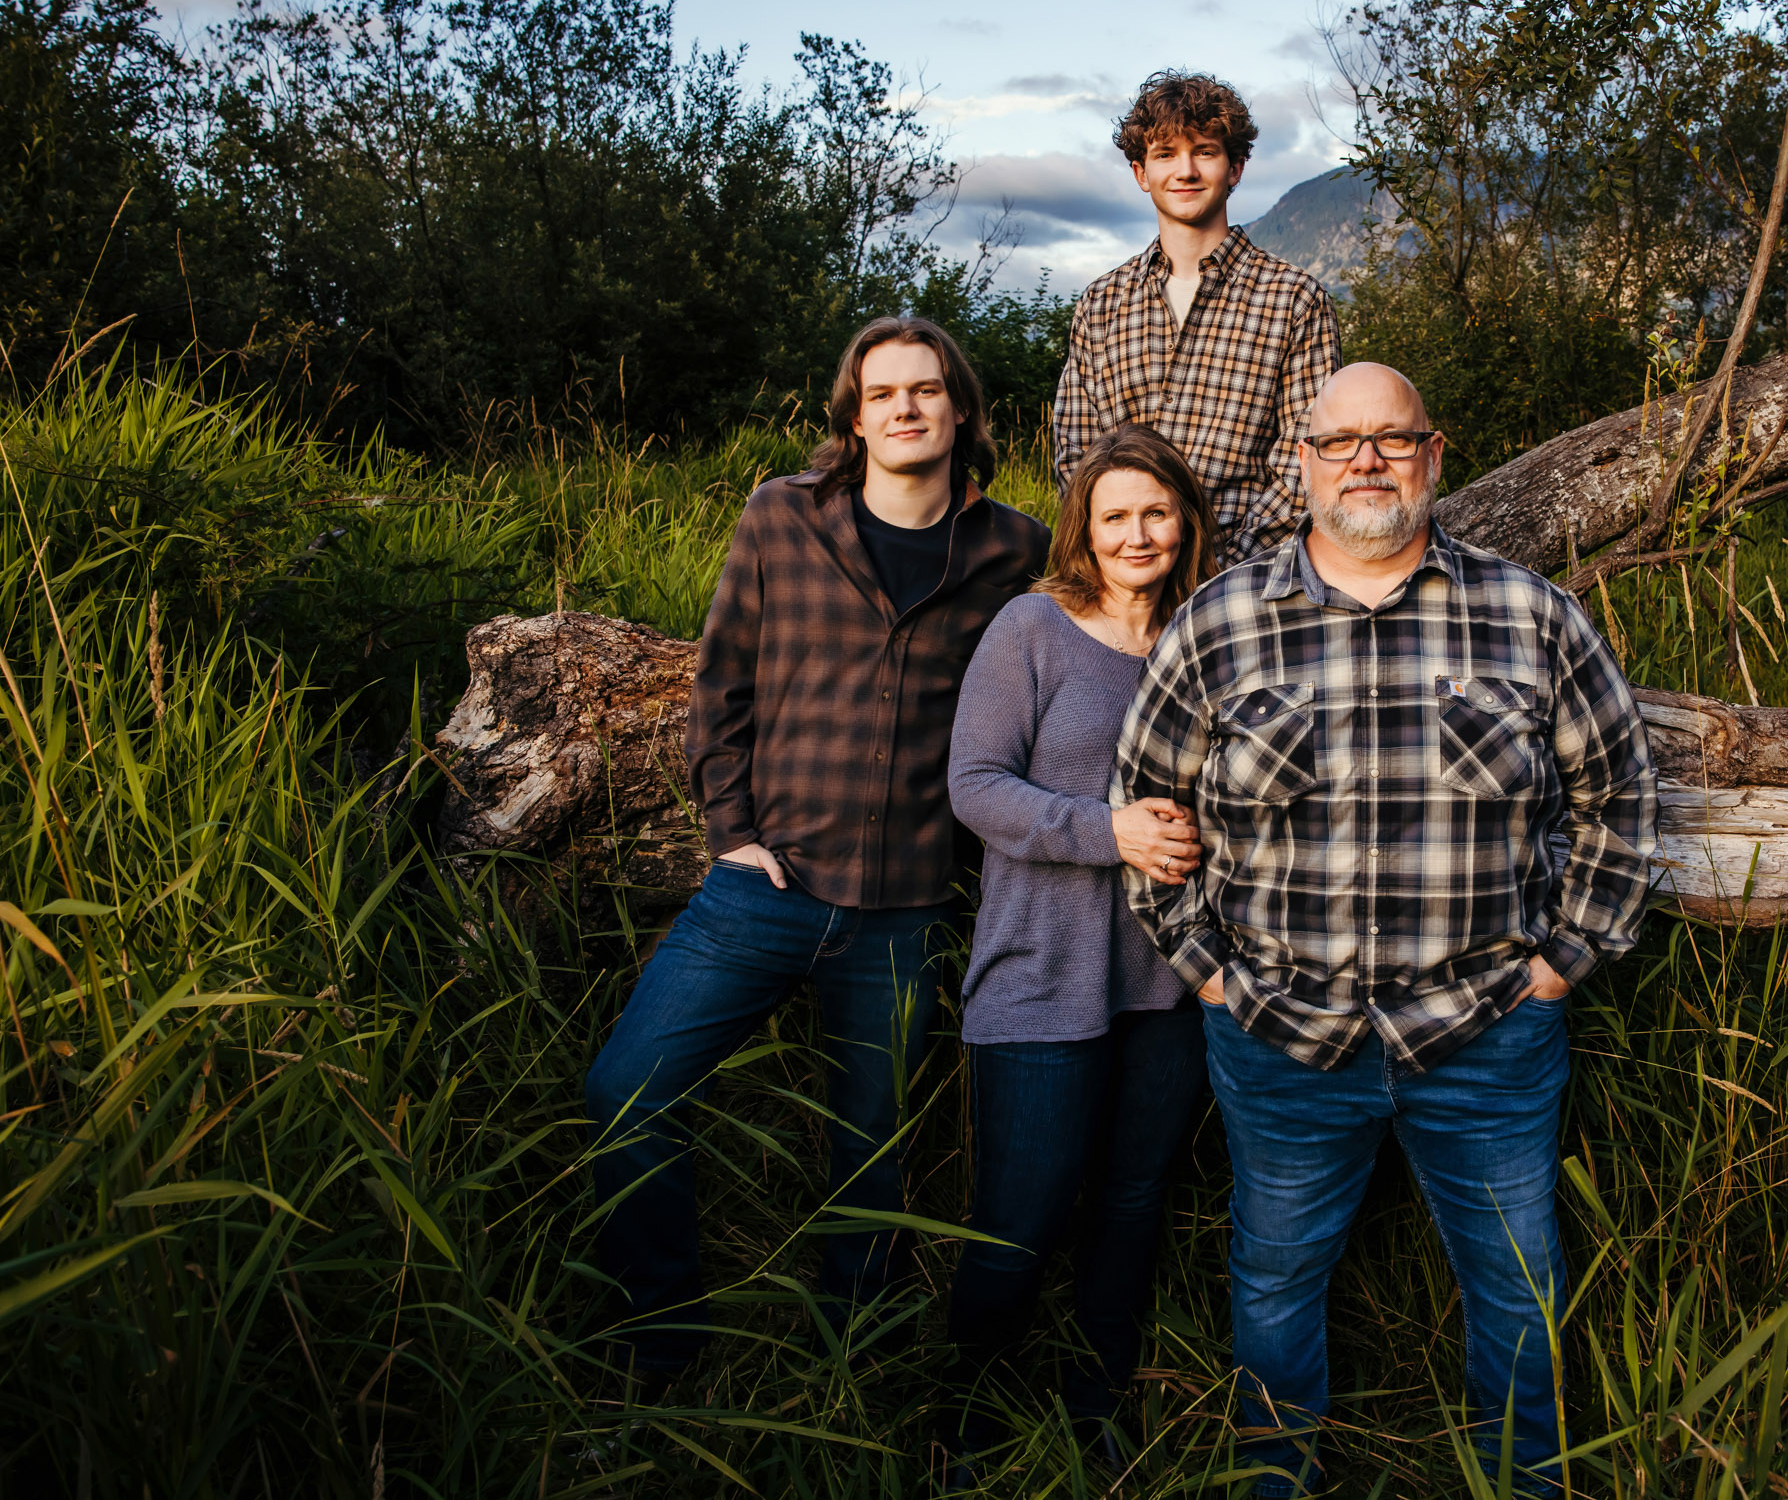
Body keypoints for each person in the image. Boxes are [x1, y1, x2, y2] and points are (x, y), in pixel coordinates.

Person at [1114, 363, 1658, 1496]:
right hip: (1278, 1036)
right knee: (1272, 1281)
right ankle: (1275, 1476)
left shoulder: (1531, 614)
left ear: (1434, 455)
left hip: (1487, 1034)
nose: (1367, 458)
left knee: (1517, 1284)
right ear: (1301, 461)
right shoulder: (1220, 622)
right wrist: (1210, 974)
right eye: (1341, 439)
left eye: (1392, 438)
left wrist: (1563, 962)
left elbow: (1620, 797)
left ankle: (1523, 1481)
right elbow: (1148, 810)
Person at [585, 315, 1049, 1378]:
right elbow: (721, 686)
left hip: (903, 908)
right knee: (626, 1090)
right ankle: (662, 1343)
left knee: (869, 1158)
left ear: (962, 409)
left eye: (926, 389)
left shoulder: (1012, 549)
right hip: (767, 886)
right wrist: (731, 834)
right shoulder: (781, 517)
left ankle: (852, 1369)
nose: (905, 407)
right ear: (853, 413)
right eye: (882, 393)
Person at [940, 423, 1220, 1455]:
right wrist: (1109, 831)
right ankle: (965, 1417)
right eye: (1115, 516)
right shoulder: (1033, 627)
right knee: (1019, 1216)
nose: (1137, 532)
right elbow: (973, 785)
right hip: (1043, 973)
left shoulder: (1209, 633)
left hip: (1173, 978)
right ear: (1084, 531)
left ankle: (1095, 1402)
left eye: (1155, 510)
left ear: (1183, 518)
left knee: (1134, 1202)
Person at [1051, 70, 1341, 568]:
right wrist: (1124, 556)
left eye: (1204, 151)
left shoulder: (1295, 299)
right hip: (1123, 579)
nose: (1185, 170)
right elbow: (1076, 456)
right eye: (1165, 154)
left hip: (1245, 582)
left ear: (1235, 168)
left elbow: (1308, 465)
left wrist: (1221, 573)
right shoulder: (1100, 303)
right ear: (1142, 174)